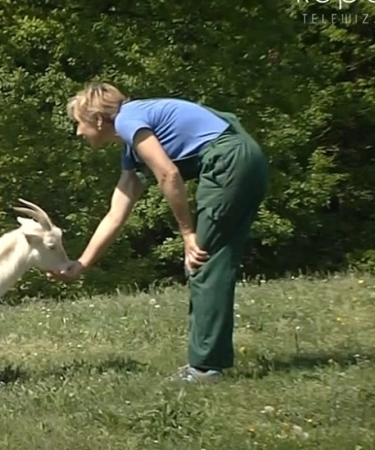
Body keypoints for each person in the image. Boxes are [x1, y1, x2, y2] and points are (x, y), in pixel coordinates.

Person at [48, 81, 269, 383]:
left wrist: (188, 234)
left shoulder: (128, 120)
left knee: (202, 260)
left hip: (229, 161)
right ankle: (208, 362)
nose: (78, 132)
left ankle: (205, 367)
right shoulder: (132, 144)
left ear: (98, 119)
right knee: (214, 259)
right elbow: (116, 214)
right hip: (244, 158)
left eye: (79, 123)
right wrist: (82, 264)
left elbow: (168, 173)